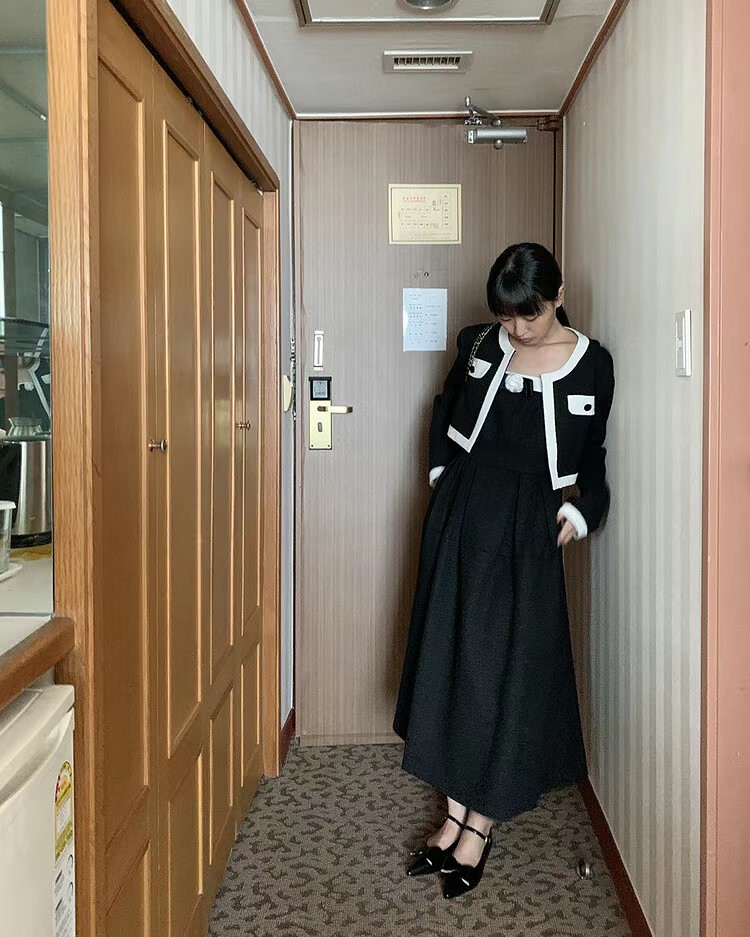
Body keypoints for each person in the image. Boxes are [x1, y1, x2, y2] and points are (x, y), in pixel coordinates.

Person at [392, 242, 615, 900]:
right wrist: (441, 471)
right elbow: (444, 407)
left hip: (527, 530)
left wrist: (582, 513)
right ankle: (452, 817)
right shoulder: (477, 343)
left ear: (558, 295)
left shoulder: (591, 363)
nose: (517, 328)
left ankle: (479, 829)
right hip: (463, 514)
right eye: (507, 316)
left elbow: (594, 454)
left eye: (530, 314)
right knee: (453, 659)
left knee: (506, 672)